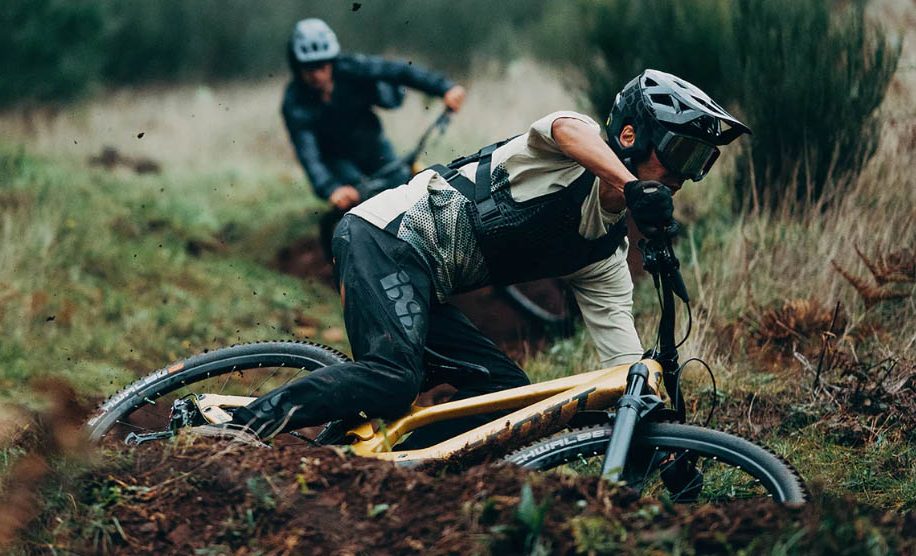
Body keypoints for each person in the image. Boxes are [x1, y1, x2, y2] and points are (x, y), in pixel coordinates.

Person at [226, 69, 751, 444]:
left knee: (506, 395)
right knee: (393, 377)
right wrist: (633, 184)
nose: (686, 174)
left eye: (700, 162)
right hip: (382, 237)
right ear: (630, 136)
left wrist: (657, 432)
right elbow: (567, 128)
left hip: (422, 281)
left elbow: (622, 367)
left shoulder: (603, 256)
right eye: (681, 153)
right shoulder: (560, 156)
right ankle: (236, 431)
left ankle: (393, 467)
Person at [281, 18, 467, 258]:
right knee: (365, 205)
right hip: (337, 161)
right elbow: (309, 154)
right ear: (298, 68)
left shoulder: (350, 68)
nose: (318, 74)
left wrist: (444, 87)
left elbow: (398, 71)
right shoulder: (294, 102)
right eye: (309, 68)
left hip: (372, 145)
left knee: (407, 187)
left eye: (323, 65)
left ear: (332, 61)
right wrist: (331, 188)